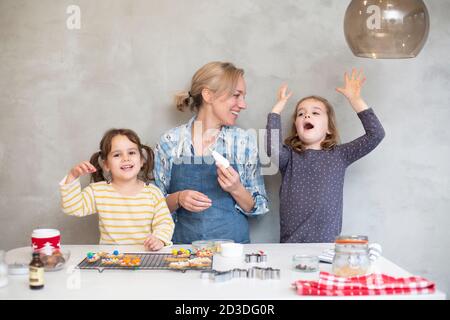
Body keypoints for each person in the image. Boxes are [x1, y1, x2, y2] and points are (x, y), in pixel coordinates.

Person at [154, 61, 269, 244]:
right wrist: (178, 198)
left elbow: (258, 208)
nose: (243, 104)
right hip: (181, 255)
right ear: (208, 95)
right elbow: (154, 207)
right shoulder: (170, 142)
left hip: (233, 253)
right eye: (236, 95)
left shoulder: (243, 142)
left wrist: (236, 188)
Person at [266, 69, 385, 243]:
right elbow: (271, 148)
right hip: (290, 246)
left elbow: (376, 134)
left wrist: (355, 100)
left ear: (329, 127)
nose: (307, 115)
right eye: (301, 113)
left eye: (315, 113)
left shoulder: (340, 155)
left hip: (327, 246)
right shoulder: (289, 158)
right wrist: (276, 111)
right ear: (297, 127)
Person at [59, 128, 174, 250]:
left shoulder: (153, 193)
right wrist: (72, 176)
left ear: (141, 160)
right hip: (110, 261)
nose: (126, 158)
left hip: (145, 257)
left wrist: (159, 239)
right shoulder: (98, 192)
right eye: (117, 155)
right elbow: (72, 207)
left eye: (131, 153)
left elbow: (165, 222)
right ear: (106, 165)